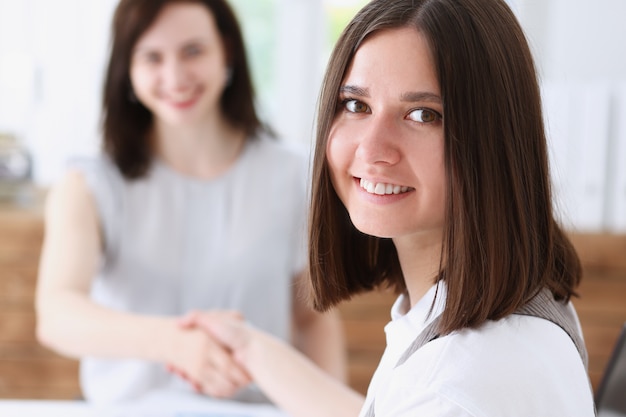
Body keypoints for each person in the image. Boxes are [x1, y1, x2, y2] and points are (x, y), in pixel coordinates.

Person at [178, 0, 597, 416]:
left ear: (494, 141)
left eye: (422, 115)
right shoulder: (517, 311)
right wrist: (251, 350)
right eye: (356, 106)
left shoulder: (455, 387)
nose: (373, 149)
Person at [34, 0, 345, 405]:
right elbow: (57, 314)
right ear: (127, 68)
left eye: (193, 51)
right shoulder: (88, 183)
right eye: (152, 57)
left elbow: (312, 317)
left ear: (227, 51)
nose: (175, 76)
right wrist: (175, 343)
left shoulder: (295, 175)